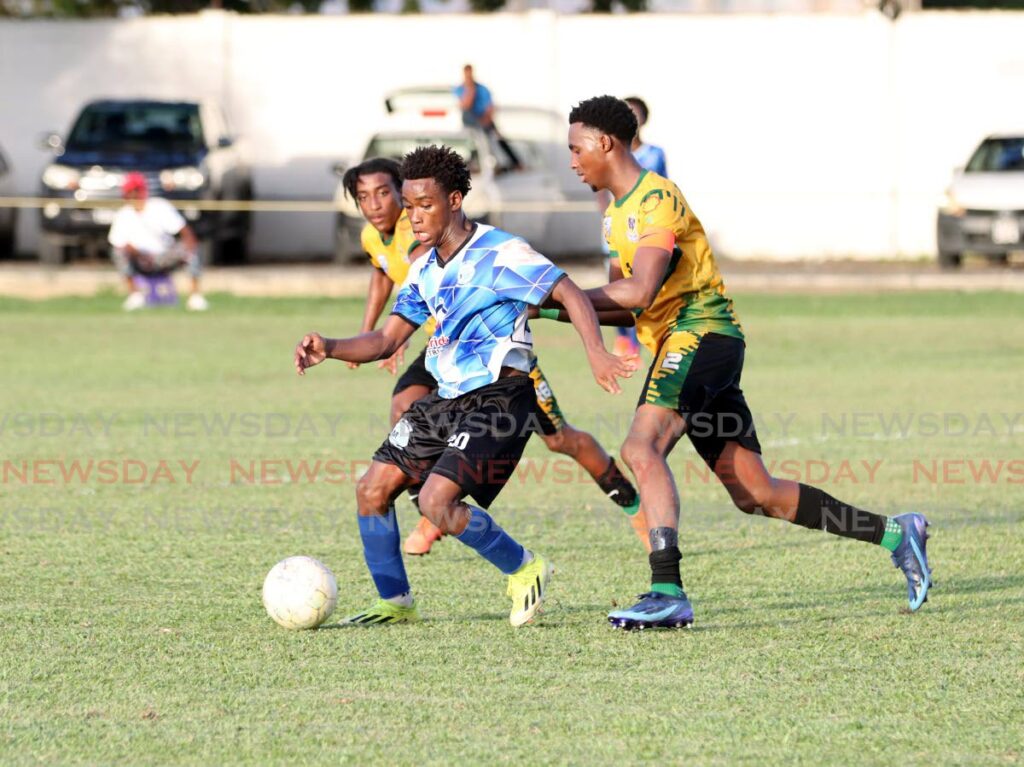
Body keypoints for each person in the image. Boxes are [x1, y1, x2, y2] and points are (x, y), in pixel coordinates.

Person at [560, 95, 931, 629]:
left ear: (605, 143)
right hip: (689, 346)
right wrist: (552, 301)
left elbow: (638, 289)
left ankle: (666, 590)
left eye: (576, 148)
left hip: (700, 335)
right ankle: (898, 532)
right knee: (757, 493)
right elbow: (619, 294)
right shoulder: (617, 212)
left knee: (641, 448)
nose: (572, 160)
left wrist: (557, 293)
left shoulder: (655, 198)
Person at [294, 145, 636, 627]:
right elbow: (387, 340)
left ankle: (526, 567)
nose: (413, 217)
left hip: (501, 395)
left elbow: (568, 291)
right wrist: (328, 345)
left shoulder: (500, 251)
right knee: (372, 490)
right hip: (446, 396)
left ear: (455, 199)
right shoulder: (424, 269)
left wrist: (597, 352)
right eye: (409, 206)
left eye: (425, 205)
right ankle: (395, 601)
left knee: (436, 501)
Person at [342, 157, 652, 557]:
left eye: (385, 194)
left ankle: (631, 503)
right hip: (444, 351)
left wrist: (595, 349)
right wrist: (376, 334)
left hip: (494, 362)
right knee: (404, 403)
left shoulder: (421, 226)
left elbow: (548, 286)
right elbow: (383, 274)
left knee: (561, 440)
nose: (376, 205)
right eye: (364, 197)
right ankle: (432, 504)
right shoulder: (373, 237)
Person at [108, 172, 207, 311]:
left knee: (190, 248)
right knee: (118, 252)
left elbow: (185, 231)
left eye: (133, 191)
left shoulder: (160, 207)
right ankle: (135, 296)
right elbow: (118, 243)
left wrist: (190, 245)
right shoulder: (123, 214)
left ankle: (196, 297)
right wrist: (137, 253)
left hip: (164, 256)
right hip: (139, 258)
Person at [453, 64, 521, 171]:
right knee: (476, 143)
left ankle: (516, 163)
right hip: (471, 122)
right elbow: (466, 105)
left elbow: (490, 106)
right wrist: (470, 90)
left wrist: (486, 119)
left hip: (484, 120)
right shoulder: (460, 89)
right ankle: (473, 163)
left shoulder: (483, 89)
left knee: (498, 139)